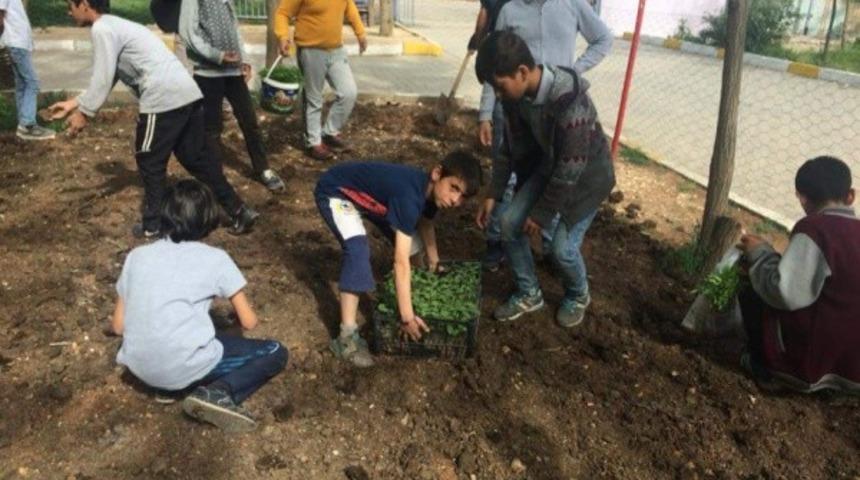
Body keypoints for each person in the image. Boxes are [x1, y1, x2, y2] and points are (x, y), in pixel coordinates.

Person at [48, 0, 259, 238]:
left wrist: (84, 114)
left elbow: (102, 78)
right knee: (195, 157)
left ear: (84, 4)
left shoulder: (102, 29)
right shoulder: (117, 25)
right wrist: (75, 103)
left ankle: (153, 225)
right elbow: (109, 76)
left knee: (149, 159)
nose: (68, 11)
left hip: (163, 97)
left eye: (70, 5)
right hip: (186, 92)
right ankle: (239, 210)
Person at [111, 179, 288, 432]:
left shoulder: (136, 256)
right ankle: (218, 393)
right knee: (275, 352)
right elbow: (249, 322)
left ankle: (166, 389)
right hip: (181, 365)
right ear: (208, 218)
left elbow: (118, 327)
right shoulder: (216, 259)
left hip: (140, 368)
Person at [475, 30, 615, 327]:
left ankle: (578, 294)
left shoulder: (569, 100)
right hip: (552, 168)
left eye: (499, 87)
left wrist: (540, 214)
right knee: (508, 223)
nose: (497, 96)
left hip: (588, 179)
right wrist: (493, 193)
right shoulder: (515, 99)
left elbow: (571, 168)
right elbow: (507, 150)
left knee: (561, 250)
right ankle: (530, 292)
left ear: (522, 72)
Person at [314, 152, 482, 367]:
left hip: (370, 200)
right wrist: (407, 317)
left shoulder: (430, 193)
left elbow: (426, 224)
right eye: (454, 188)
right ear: (437, 173)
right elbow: (400, 262)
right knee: (357, 251)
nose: (456, 200)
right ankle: (346, 338)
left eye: (463, 196)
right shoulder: (409, 197)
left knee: (415, 245)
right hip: (337, 191)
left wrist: (435, 263)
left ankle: (416, 291)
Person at [737, 156, 860, 393]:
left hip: (814, 369)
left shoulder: (814, 229)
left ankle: (764, 366)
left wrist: (760, 254)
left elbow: (783, 293)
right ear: (850, 196)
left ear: (802, 198)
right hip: (855, 370)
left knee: (751, 285)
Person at [178, 0, 287, 192]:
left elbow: (233, 26)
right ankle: (216, 178)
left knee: (249, 121)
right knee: (212, 129)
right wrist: (217, 55)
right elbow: (187, 32)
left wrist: (244, 58)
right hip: (208, 72)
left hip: (233, 71)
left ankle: (263, 169)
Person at [274, 0, 367, 161]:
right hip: (311, 49)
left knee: (348, 92)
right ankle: (313, 143)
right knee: (314, 98)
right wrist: (282, 36)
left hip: (336, 49)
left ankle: (329, 132)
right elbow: (283, 13)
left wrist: (361, 33)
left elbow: (349, 6)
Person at [0, 0, 55, 140]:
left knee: (22, 85)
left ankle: (22, 125)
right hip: (16, 43)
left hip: (18, 43)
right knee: (32, 83)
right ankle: (28, 125)